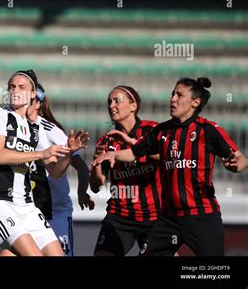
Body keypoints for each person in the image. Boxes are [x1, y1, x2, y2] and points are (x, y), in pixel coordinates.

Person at [93, 77, 247, 256]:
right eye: (172, 94)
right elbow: (135, 152)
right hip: (169, 218)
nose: (172, 99)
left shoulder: (208, 129)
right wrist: (113, 154)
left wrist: (238, 164)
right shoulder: (161, 131)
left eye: (179, 95)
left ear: (195, 102)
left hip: (201, 215)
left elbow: (240, 158)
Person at [0, 70, 89, 256]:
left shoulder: (35, 129)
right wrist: (40, 153)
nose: (15, 90)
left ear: (32, 94)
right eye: (11, 87)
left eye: (21, 87)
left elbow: (54, 171)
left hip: (27, 207)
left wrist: (68, 154)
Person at [90, 85, 162, 256]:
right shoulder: (106, 141)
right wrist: (97, 163)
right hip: (119, 217)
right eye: (109, 101)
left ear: (133, 105)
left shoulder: (151, 130)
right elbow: (95, 186)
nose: (111, 105)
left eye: (117, 100)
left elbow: (165, 156)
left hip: (154, 217)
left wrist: (131, 142)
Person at [27, 82, 94, 256]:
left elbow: (80, 167)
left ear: (38, 103)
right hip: (27, 211)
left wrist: (82, 192)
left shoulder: (50, 130)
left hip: (54, 212)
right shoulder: (10, 125)